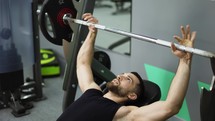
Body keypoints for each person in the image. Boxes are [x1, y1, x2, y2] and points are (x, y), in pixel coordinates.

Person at [57, 13, 196, 121]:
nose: (120, 75)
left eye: (128, 79)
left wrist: (185, 61)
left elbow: (171, 107)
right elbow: (82, 63)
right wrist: (92, 32)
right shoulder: (93, 91)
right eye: (122, 74)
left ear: (132, 95)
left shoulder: (123, 114)